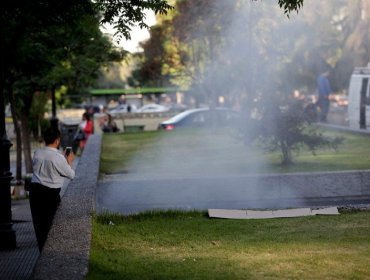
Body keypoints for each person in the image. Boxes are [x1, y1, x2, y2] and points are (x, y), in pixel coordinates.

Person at [29, 127, 75, 251]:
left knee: (39, 227)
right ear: (57, 140)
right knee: (52, 227)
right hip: (50, 195)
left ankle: (42, 253)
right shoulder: (58, 158)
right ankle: (51, 254)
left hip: (34, 193)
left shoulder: (37, 153)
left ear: (45, 139)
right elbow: (71, 175)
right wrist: (69, 161)